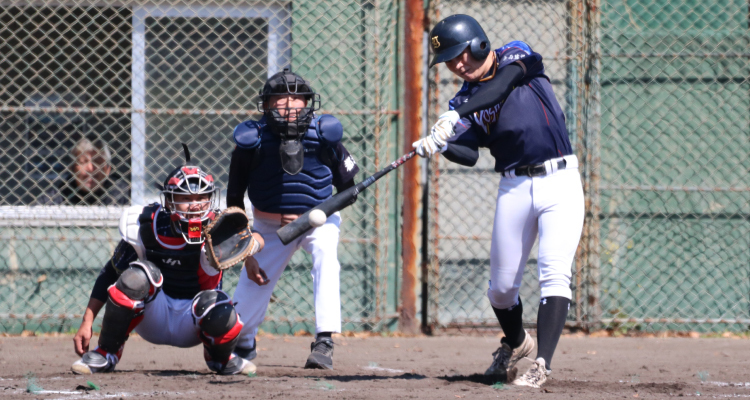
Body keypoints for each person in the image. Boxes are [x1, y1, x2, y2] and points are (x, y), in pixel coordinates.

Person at [414, 15, 584, 388]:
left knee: (554, 273)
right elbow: (469, 153)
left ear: (479, 44)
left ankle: (542, 364)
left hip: (559, 181)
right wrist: (441, 145)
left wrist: (457, 114)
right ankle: (519, 343)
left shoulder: (516, 57)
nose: (459, 65)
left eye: (462, 55)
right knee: (501, 289)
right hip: (514, 187)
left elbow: (502, 84)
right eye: (451, 61)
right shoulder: (463, 97)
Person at [70, 146, 264, 375]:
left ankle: (221, 358)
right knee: (136, 276)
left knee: (220, 303)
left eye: (201, 197)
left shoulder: (220, 227)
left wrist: (251, 248)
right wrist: (87, 320)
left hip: (194, 319)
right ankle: (106, 352)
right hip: (153, 314)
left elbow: (257, 237)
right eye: (185, 198)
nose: (195, 205)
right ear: (169, 201)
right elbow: (110, 272)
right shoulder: (147, 224)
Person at [226, 69, 359, 370]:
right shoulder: (251, 140)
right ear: (267, 104)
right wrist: (246, 250)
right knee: (252, 285)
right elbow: (234, 200)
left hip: (318, 220)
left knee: (326, 255)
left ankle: (324, 340)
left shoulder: (325, 135)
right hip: (268, 227)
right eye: (281, 97)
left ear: (308, 103)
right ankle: (245, 339)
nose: (290, 104)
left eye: (297, 97)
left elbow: (349, 191)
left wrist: (316, 214)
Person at [37, 137, 129, 206]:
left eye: (97, 162)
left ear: (108, 169)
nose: (90, 168)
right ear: (72, 168)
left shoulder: (123, 195)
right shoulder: (56, 198)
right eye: (84, 162)